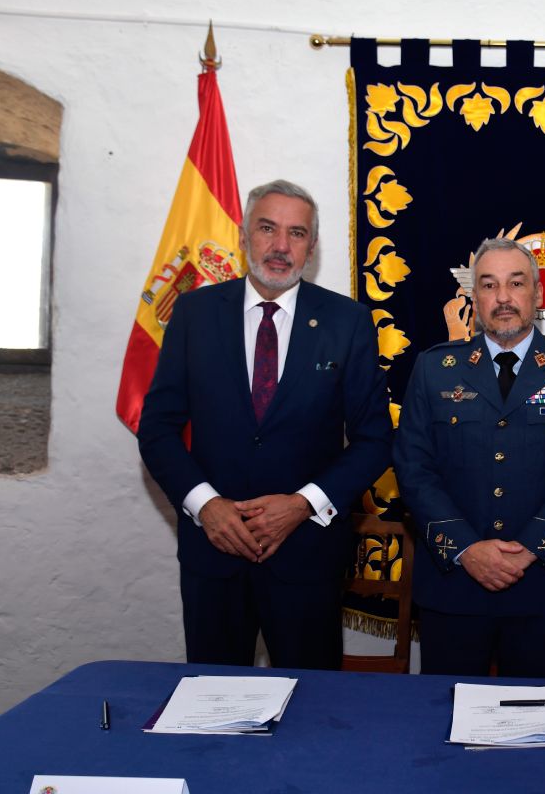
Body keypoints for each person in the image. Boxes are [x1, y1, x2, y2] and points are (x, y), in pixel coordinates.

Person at [138, 179, 392, 669]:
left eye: (296, 233)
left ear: (311, 248)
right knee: (214, 701)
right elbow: (157, 429)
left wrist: (302, 504)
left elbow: (374, 439)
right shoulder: (193, 313)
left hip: (307, 556)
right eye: (267, 229)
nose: (280, 246)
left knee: (313, 703)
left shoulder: (347, 322)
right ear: (243, 236)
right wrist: (206, 506)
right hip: (214, 553)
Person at [393, 237, 545, 677]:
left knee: (537, 711)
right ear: (473, 298)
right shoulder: (434, 368)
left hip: (544, 587)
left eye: (516, 283)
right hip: (454, 585)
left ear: (538, 292)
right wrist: (466, 549)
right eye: (489, 285)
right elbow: (413, 467)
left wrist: (531, 547)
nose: (503, 298)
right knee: (447, 709)